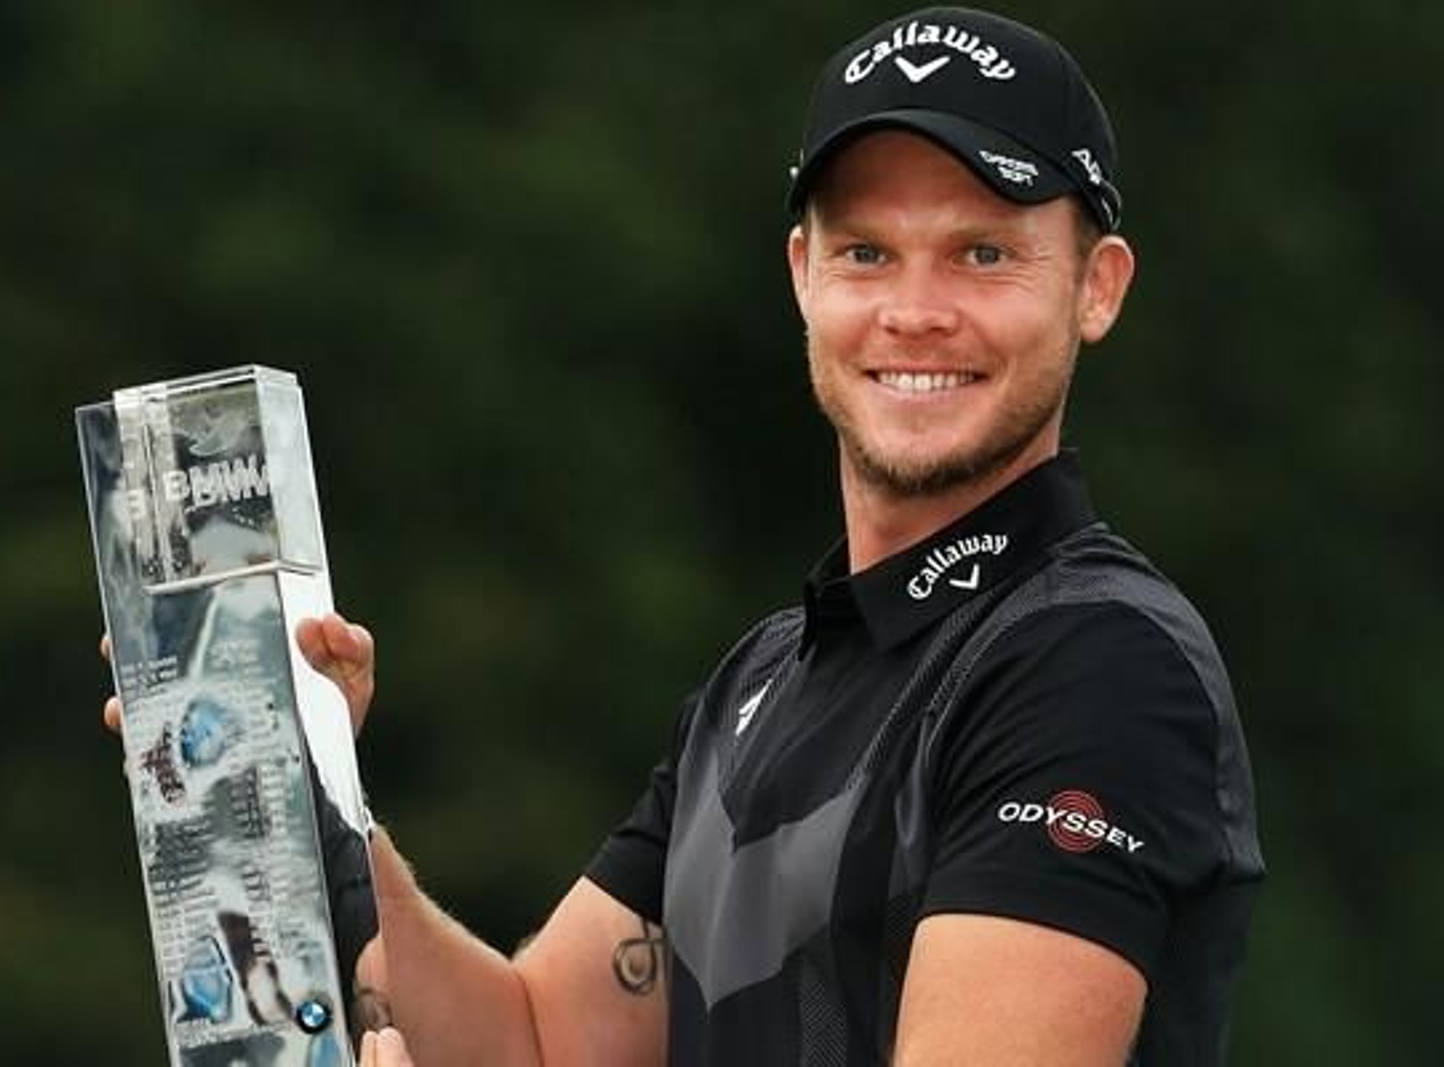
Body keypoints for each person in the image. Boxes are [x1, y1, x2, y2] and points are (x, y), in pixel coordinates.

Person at [118, 7, 1266, 1065]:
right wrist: (303, 788)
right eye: (866, 251)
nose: (915, 308)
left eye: (983, 252)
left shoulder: (1092, 662)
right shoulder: (768, 677)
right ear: (801, 275)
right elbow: (534, 1043)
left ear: (1095, 287)